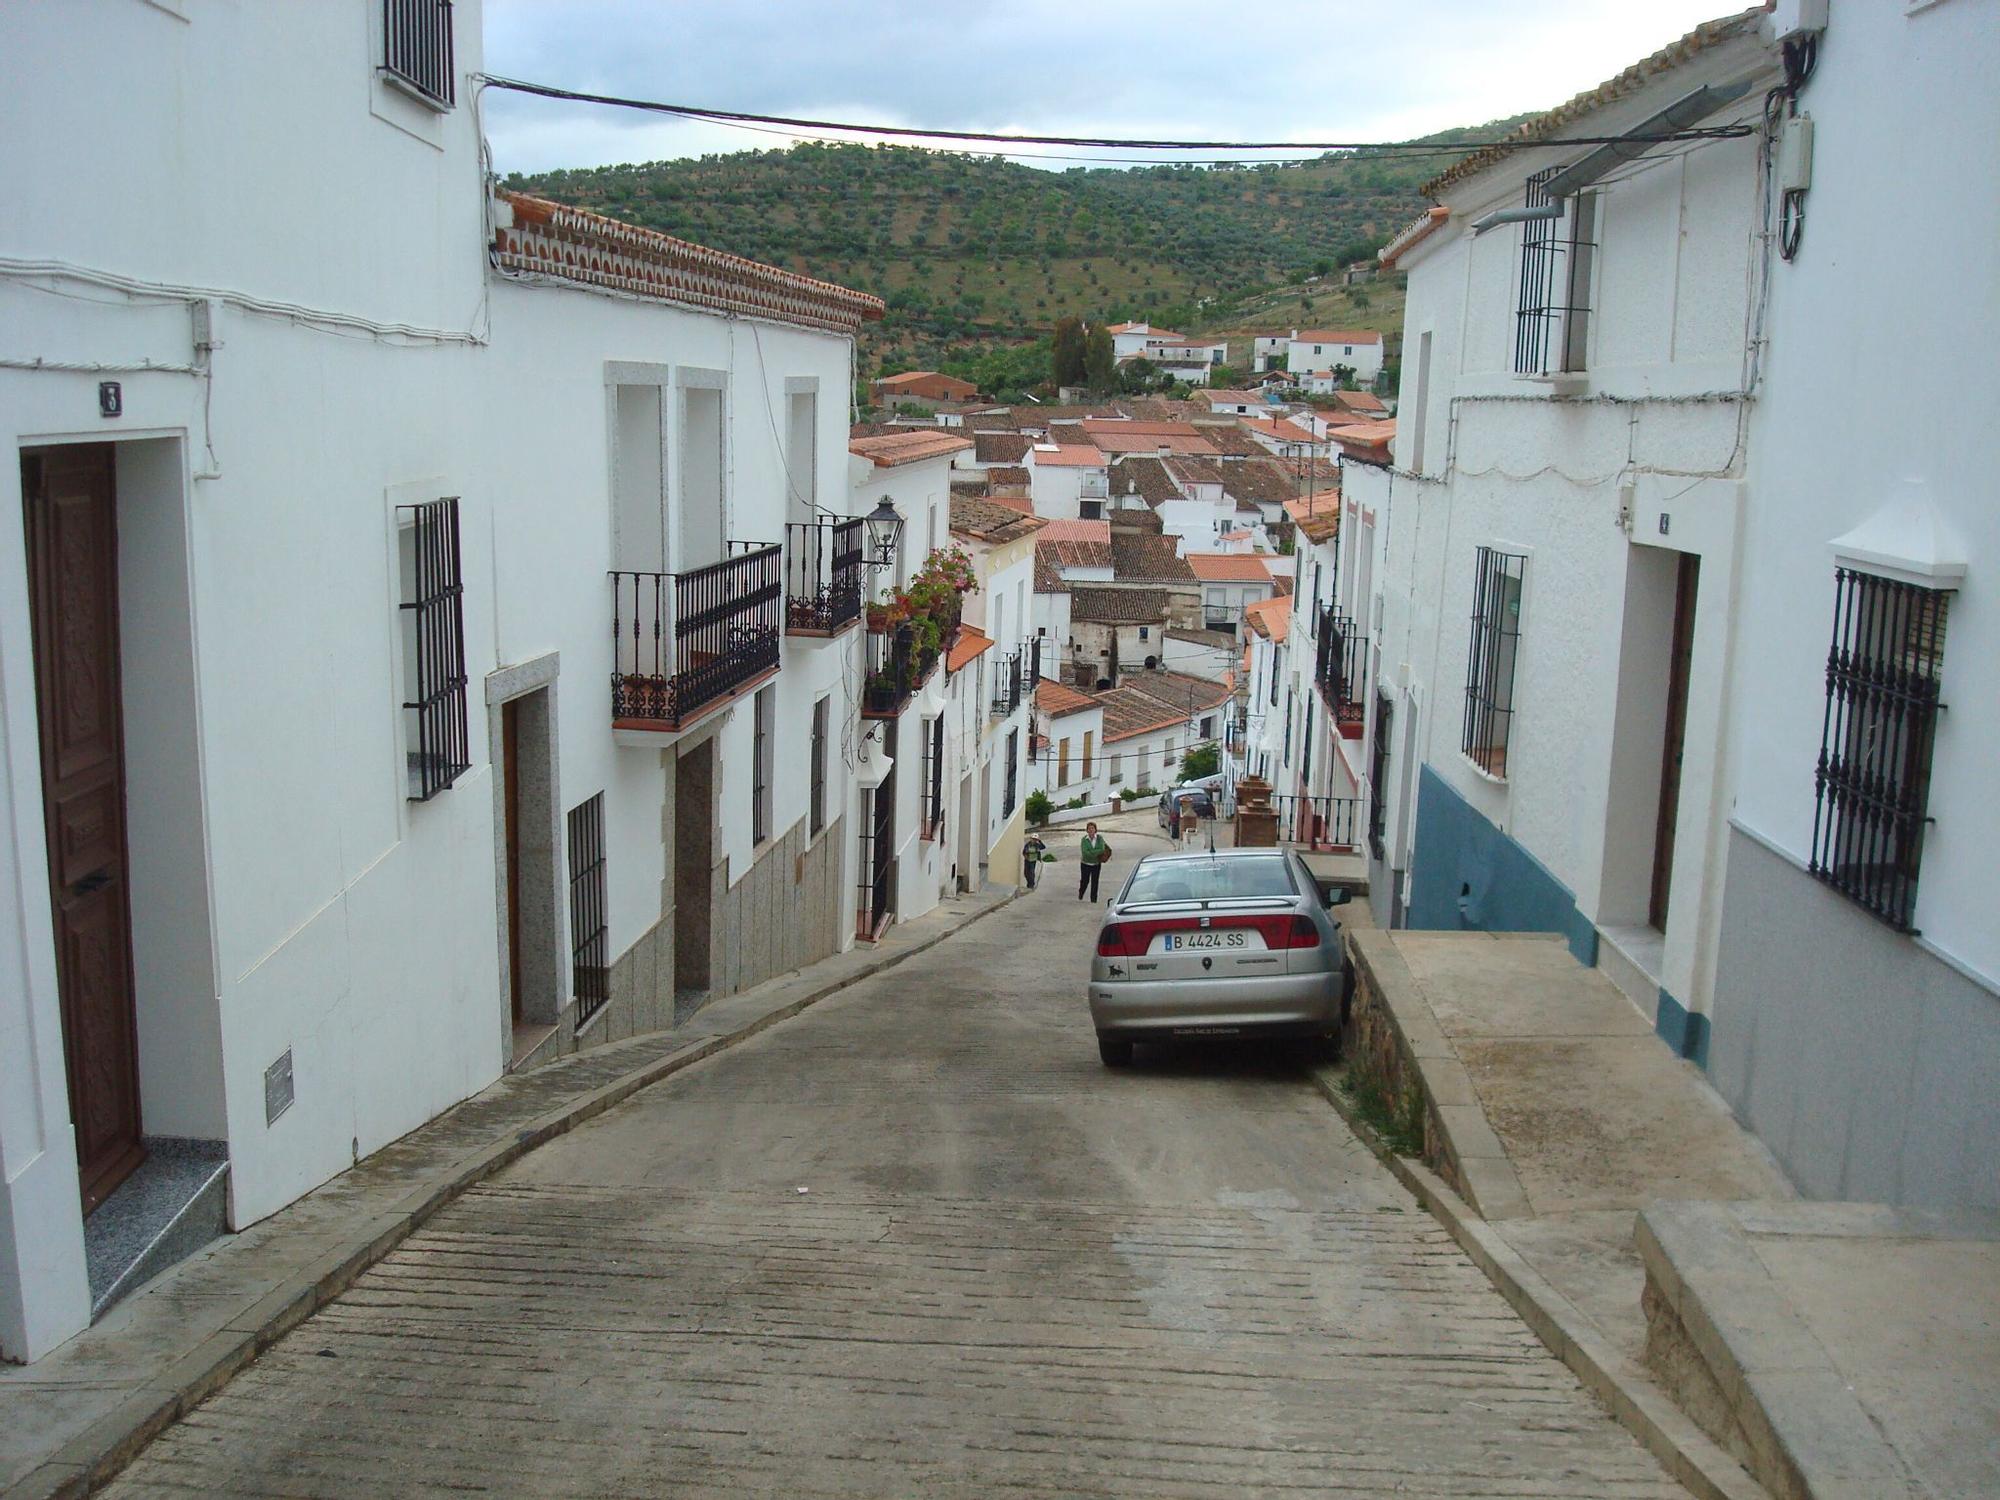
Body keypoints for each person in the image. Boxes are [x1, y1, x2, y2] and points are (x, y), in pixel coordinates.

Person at [1077, 822, 1110, 902]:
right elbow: (1085, 852)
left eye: (1092, 828)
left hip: (1096, 864)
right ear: (1087, 830)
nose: (1091, 830)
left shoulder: (1099, 838)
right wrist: (1095, 852)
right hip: (1085, 864)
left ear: (1095, 830)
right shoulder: (1084, 839)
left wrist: (1091, 852)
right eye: (1089, 828)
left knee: (1095, 882)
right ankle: (1081, 892)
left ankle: (1093, 899)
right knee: (1085, 881)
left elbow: (1102, 849)